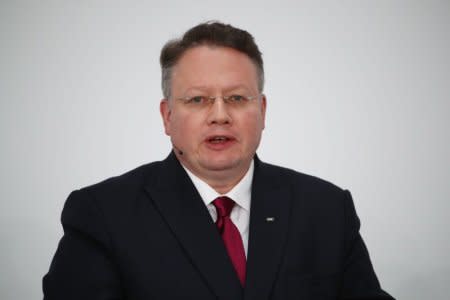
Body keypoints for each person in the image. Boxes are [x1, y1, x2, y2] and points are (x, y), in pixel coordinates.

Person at [43, 21, 395, 300]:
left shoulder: (326, 209)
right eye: (197, 100)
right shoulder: (103, 213)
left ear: (262, 110)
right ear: (167, 116)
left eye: (238, 98)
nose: (220, 115)